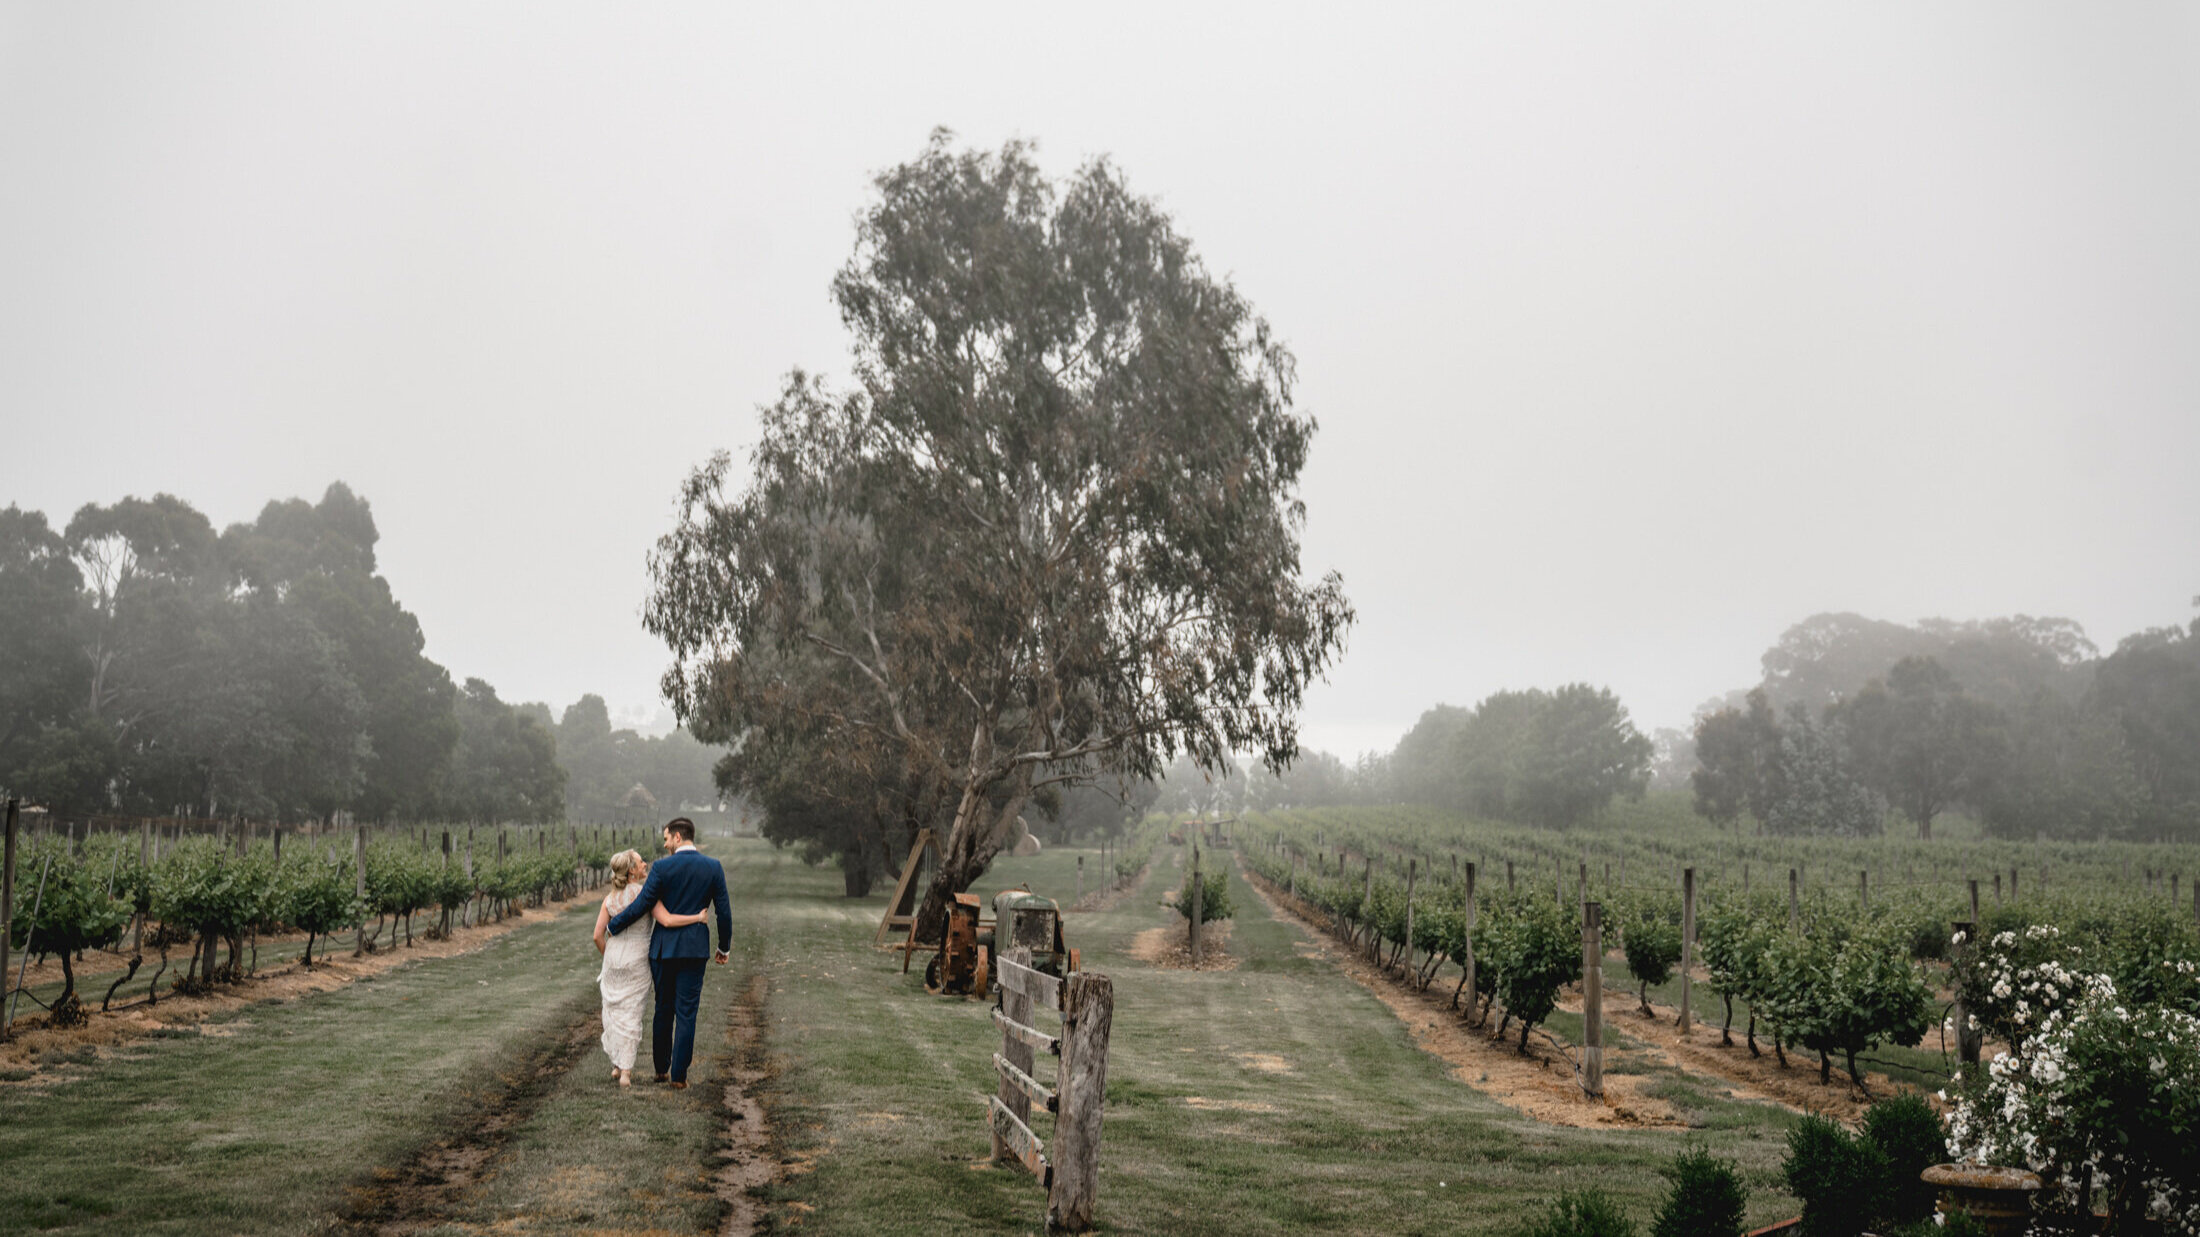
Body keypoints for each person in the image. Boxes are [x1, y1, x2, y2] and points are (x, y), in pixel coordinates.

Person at [604, 817, 733, 1089]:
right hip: (695, 950)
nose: (664, 844)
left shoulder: (662, 868)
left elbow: (642, 904)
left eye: (666, 838)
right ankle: (679, 1077)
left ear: (677, 837)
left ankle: (661, 1069)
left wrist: (614, 925)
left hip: (663, 950)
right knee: (687, 1012)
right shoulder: (713, 867)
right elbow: (724, 911)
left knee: (663, 1009)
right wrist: (724, 947)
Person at [593, 850, 712, 1087]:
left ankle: (616, 1065)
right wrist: (697, 918)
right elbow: (667, 920)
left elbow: (597, 935)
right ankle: (626, 1071)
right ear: (632, 871)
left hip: (613, 959)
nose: (645, 863)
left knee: (614, 1010)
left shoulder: (610, 899)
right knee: (632, 1013)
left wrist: (611, 957)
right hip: (637, 959)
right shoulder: (645, 894)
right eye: (640, 862)